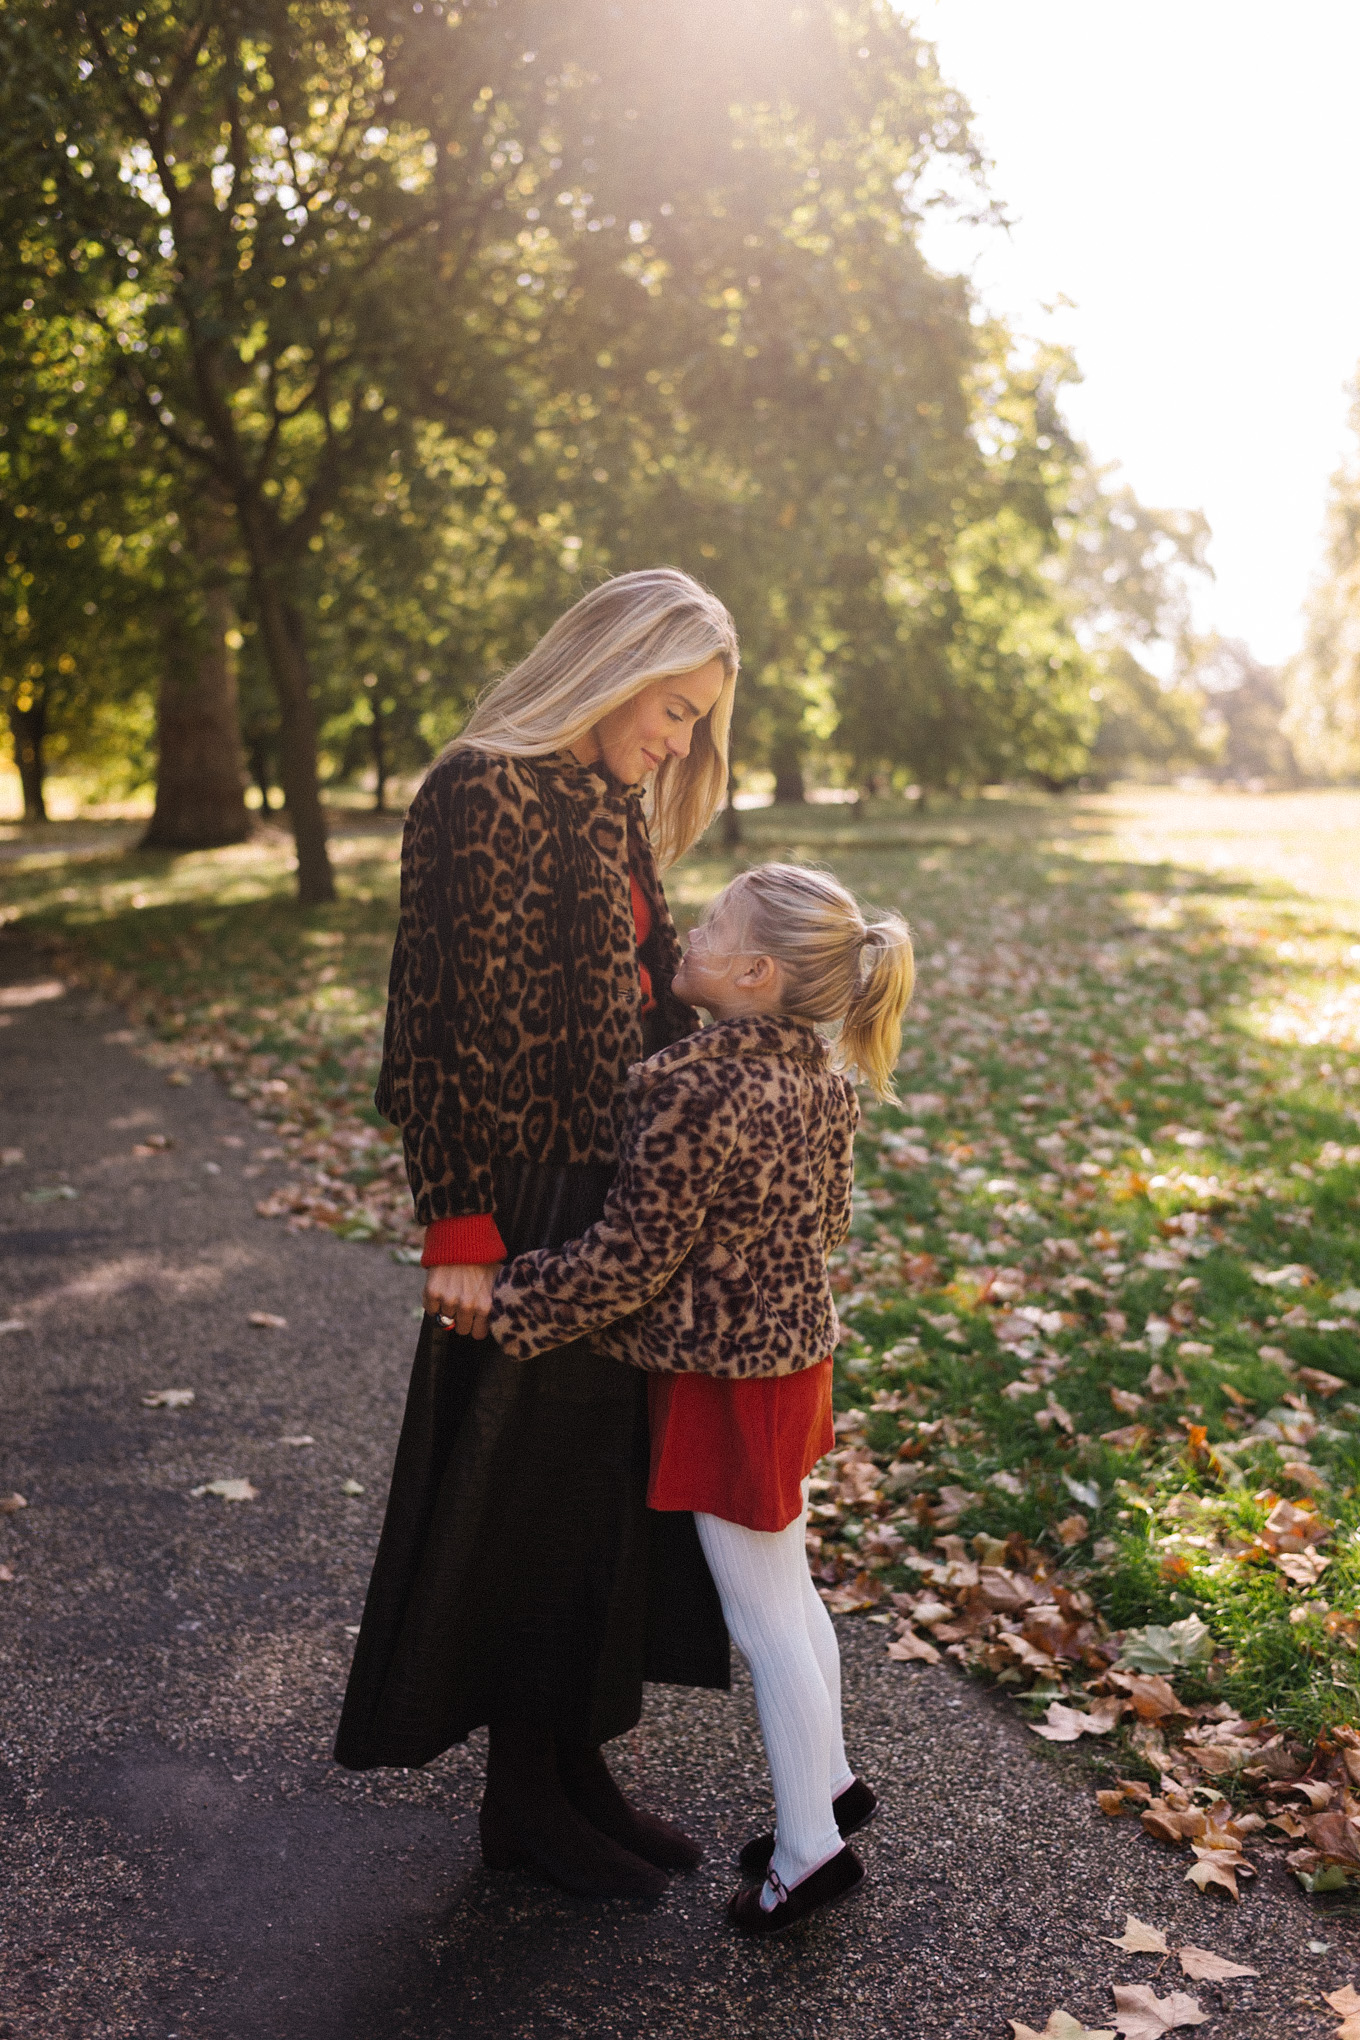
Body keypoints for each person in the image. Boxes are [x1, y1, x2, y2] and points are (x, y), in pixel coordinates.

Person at [334, 569, 740, 1904]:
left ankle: (572, 1768)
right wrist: (457, 1219)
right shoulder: (479, 788)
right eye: (671, 707)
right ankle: (521, 1802)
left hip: (611, 1193)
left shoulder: (605, 803)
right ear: (612, 667)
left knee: (594, 1498)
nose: (677, 739)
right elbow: (434, 1023)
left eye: (695, 720)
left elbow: (642, 998)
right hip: (519, 1198)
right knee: (522, 1498)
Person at [487, 863, 915, 1934]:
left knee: (762, 1615)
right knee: (791, 1589)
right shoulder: (821, 1080)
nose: (687, 930)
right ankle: (830, 1783)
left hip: (725, 1379)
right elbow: (828, 1224)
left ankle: (808, 1852)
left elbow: (629, 1259)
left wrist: (508, 1301)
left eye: (713, 923)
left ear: (755, 973)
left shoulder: (691, 1088)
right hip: (791, 1362)